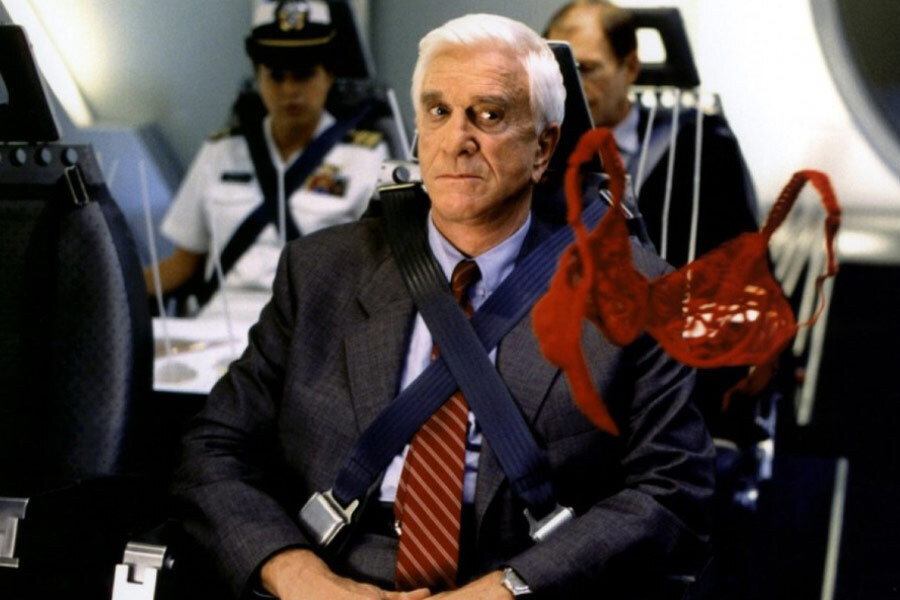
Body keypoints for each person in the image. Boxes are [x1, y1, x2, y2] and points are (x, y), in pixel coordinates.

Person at [172, 13, 714, 600]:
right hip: (332, 573)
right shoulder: (320, 273)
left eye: (490, 115)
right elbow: (211, 449)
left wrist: (509, 588)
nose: (457, 139)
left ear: (543, 147)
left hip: (521, 577)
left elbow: (672, 490)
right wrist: (298, 576)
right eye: (438, 111)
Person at [147, 0, 389, 320]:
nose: (290, 90)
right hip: (220, 324)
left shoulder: (365, 158)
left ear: (329, 75)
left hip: (314, 324)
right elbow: (182, 265)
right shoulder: (220, 152)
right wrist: (107, 292)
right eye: (276, 76)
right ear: (258, 78)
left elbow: (382, 271)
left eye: (304, 75)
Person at [545, 0, 758, 269]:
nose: (570, 85)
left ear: (631, 68)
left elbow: (741, 261)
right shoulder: (542, 151)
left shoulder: (700, 145)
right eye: (561, 71)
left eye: (587, 69)